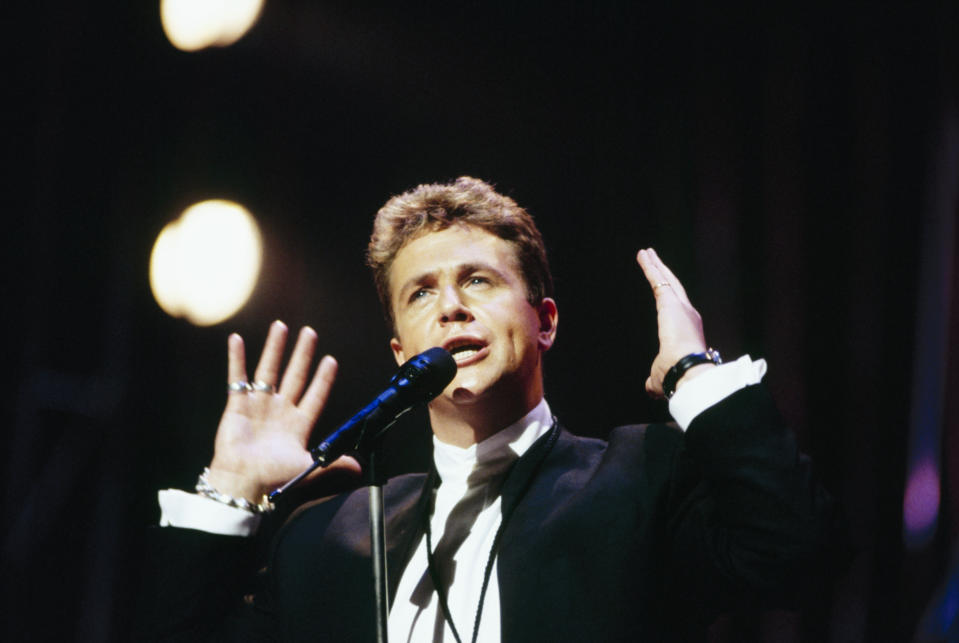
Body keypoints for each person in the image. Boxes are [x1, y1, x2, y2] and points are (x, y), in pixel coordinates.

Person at [143, 177, 837, 642]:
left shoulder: (637, 479)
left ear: (545, 320)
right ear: (398, 350)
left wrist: (691, 373)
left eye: (477, 279)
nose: (449, 305)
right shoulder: (330, 535)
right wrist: (228, 490)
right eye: (420, 293)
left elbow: (795, 554)